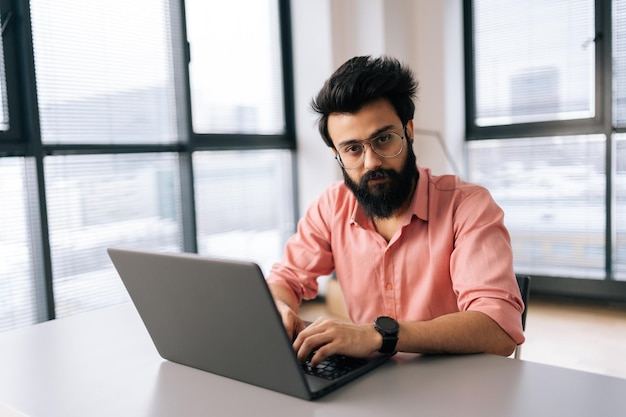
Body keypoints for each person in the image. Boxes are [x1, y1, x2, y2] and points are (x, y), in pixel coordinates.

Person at [267, 55, 524, 367]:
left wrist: (380, 336)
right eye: (353, 149)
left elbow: (499, 328)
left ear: (409, 131)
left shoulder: (468, 205)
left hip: (455, 382)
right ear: (336, 154)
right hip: (371, 380)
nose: (372, 161)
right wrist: (280, 309)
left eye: (384, 139)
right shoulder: (331, 205)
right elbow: (287, 279)